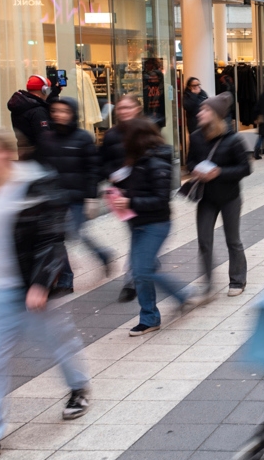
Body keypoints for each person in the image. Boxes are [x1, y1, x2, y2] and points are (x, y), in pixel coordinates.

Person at [0, 127, 92, 460]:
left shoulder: (33, 184)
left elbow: (51, 236)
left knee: (57, 343)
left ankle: (78, 386)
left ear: (2, 153)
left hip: (29, 288)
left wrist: (41, 283)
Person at [109, 117, 199, 335]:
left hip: (156, 224)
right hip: (137, 222)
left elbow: (160, 200)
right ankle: (172, 302)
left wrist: (130, 201)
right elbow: (137, 189)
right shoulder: (136, 161)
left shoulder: (157, 162)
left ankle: (156, 313)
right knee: (143, 271)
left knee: (141, 271)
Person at [36, 97, 112, 288]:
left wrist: (92, 198)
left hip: (77, 197)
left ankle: (102, 254)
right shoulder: (46, 138)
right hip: (54, 198)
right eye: (55, 111)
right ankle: (65, 278)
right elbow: (41, 167)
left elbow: (93, 169)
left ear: (72, 114)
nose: (59, 115)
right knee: (57, 239)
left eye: (64, 111)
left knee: (76, 233)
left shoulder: (83, 137)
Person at [186, 93, 251, 297]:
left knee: (233, 240)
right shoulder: (196, 137)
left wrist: (219, 172)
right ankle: (207, 282)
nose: (200, 113)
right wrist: (195, 170)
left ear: (215, 115)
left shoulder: (233, 140)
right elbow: (189, 162)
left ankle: (237, 279)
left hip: (230, 196)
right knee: (204, 240)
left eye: (205, 110)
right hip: (206, 197)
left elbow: (245, 168)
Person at [101, 94, 144, 303]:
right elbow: (103, 162)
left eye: (128, 107)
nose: (123, 111)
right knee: (137, 235)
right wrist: (112, 174)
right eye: (120, 108)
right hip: (122, 195)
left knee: (140, 236)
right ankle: (136, 274)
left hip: (145, 193)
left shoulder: (146, 130)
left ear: (137, 109)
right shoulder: (111, 136)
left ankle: (132, 280)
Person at [7, 74, 57, 150]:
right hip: (38, 154)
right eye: (49, 90)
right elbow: (44, 137)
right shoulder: (38, 110)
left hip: (24, 151)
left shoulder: (21, 105)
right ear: (45, 90)